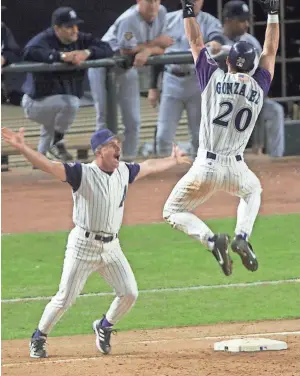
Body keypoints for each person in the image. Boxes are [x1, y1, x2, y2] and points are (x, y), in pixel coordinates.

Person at [1, 125, 190, 358]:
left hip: (112, 247)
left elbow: (149, 166)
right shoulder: (82, 173)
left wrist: (172, 160)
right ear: (99, 151)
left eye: (117, 143)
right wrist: (22, 148)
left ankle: (104, 326)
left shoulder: (123, 170)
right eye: (112, 144)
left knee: (129, 293)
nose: (117, 147)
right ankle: (39, 336)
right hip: (83, 245)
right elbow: (48, 166)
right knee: (64, 298)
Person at [163, 0, 280, 276]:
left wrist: (188, 10)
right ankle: (242, 235)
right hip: (236, 167)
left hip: (205, 165)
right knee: (252, 191)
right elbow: (271, 49)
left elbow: (194, 38)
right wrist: (273, 14)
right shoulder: (258, 85)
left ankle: (211, 239)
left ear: (227, 61)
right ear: (252, 66)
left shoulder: (212, 77)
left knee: (172, 211)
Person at [22, 7, 113, 161]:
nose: (74, 30)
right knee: (71, 103)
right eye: (69, 26)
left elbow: (107, 48)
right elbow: (28, 52)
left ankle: (40, 165)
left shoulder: (80, 39)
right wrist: (60, 56)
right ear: (57, 28)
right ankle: (58, 142)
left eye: (76, 25)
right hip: (37, 103)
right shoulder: (45, 38)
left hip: (57, 105)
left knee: (46, 147)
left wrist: (87, 52)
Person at [88, 0, 173, 160]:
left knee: (133, 121)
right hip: (104, 68)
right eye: (148, 1)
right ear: (139, 1)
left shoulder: (162, 12)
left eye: (156, 0)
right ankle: (103, 162)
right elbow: (126, 50)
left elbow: (165, 46)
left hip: (127, 70)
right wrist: (153, 46)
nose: (153, 5)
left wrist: (147, 50)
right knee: (104, 117)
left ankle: (129, 161)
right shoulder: (129, 19)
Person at [149, 0, 224, 157]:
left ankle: (201, 173)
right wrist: (153, 87)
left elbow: (217, 38)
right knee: (163, 135)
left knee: (199, 135)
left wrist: (215, 43)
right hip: (171, 79)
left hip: (196, 80)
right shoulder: (167, 20)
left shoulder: (209, 21)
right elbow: (157, 53)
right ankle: (163, 175)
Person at [219, 0, 284, 157]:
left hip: (248, 98)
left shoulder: (251, 42)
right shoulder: (216, 40)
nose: (246, 24)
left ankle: (276, 160)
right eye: (242, 20)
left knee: (275, 110)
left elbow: (263, 71)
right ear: (228, 20)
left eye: (247, 20)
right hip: (223, 100)